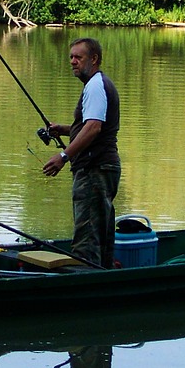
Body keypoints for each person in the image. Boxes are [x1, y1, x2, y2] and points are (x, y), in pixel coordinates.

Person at [42, 37, 121, 268]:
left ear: (94, 59)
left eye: (79, 57)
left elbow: (94, 127)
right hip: (104, 168)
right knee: (101, 236)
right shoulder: (99, 84)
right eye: (71, 57)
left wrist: (63, 156)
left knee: (87, 239)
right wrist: (65, 130)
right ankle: (104, 279)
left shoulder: (96, 85)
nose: (73, 62)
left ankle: (85, 284)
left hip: (93, 170)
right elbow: (93, 126)